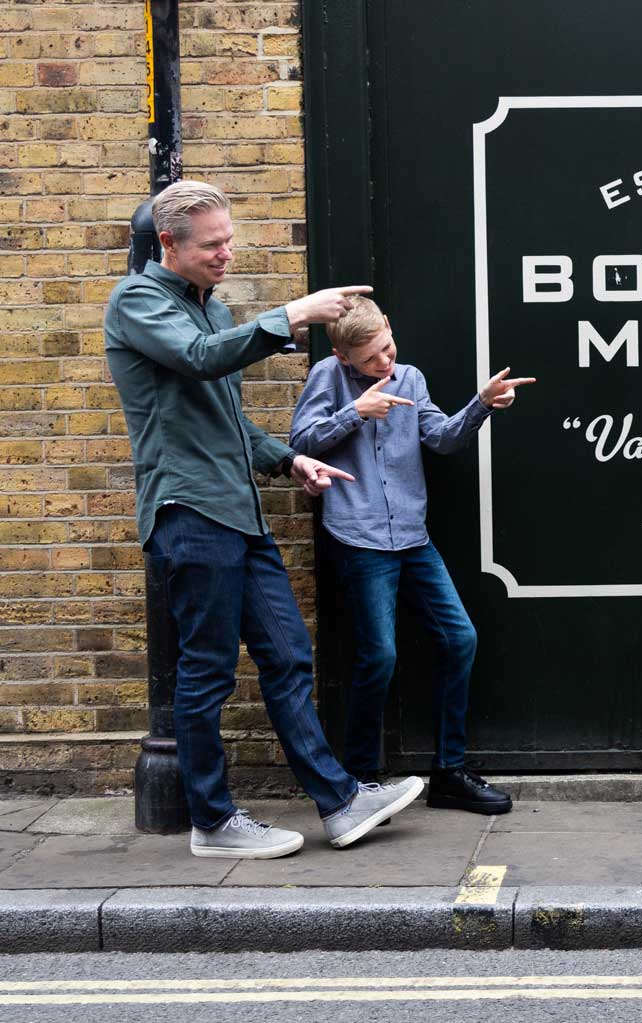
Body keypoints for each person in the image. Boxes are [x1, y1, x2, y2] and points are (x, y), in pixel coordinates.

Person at [105, 180, 424, 860]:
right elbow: (197, 360)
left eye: (228, 239)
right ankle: (213, 822)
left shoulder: (213, 310)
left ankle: (340, 803)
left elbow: (227, 420)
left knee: (287, 654)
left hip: (238, 511)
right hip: (188, 509)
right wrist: (295, 313)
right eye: (212, 244)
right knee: (209, 672)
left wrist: (290, 461)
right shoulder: (137, 302)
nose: (226, 253)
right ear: (169, 244)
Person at [290, 296, 535, 813]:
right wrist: (355, 413)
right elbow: (301, 443)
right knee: (379, 655)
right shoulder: (327, 380)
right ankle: (357, 782)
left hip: (413, 535)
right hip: (359, 538)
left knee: (460, 638)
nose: (386, 362)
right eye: (373, 358)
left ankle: (448, 771)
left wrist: (483, 404)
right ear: (342, 355)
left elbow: (442, 440)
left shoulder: (411, 379)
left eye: (388, 346)